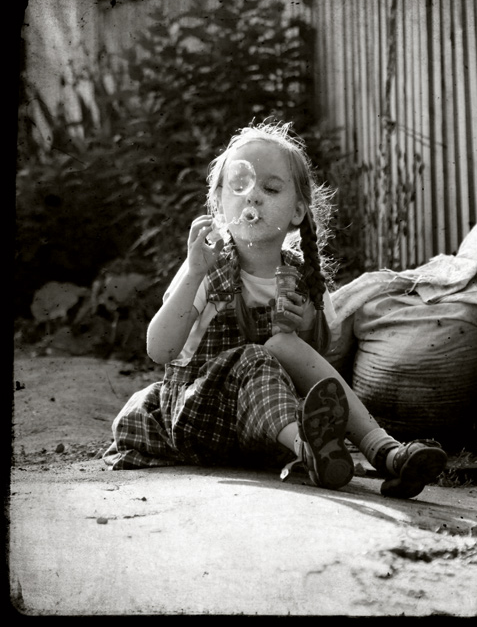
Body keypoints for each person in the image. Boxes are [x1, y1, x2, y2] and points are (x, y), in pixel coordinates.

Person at [102, 120, 447, 499]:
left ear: (297, 211)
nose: (253, 197)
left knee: (283, 344)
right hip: (200, 418)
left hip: (262, 430)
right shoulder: (206, 268)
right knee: (257, 357)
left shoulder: (303, 279)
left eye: (269, 188)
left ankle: (385, 452)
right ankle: (310, 449)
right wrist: (194, 273)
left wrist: (307, 326)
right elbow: (158, 350)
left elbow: (322, 360)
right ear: (219, 204)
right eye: (240, 186)